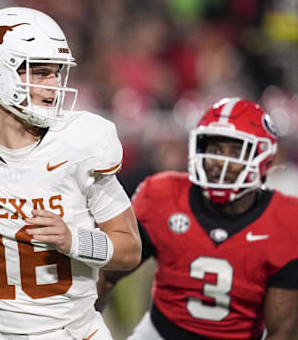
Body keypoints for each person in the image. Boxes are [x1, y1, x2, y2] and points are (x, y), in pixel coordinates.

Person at [0, 6, 141, 340]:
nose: (54, 85)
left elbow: (130, 249)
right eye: (41, 72)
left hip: (72, 333)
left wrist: (74, 240)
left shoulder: (79, 145)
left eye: (57, 73)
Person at [97, 98, 298, 340]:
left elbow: (283, 332)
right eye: (214, 150)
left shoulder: (285, 221)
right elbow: (105, 276)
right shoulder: (163, 195)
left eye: (236, 152)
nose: (220, 162)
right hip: (160, 334)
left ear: (263, 157)